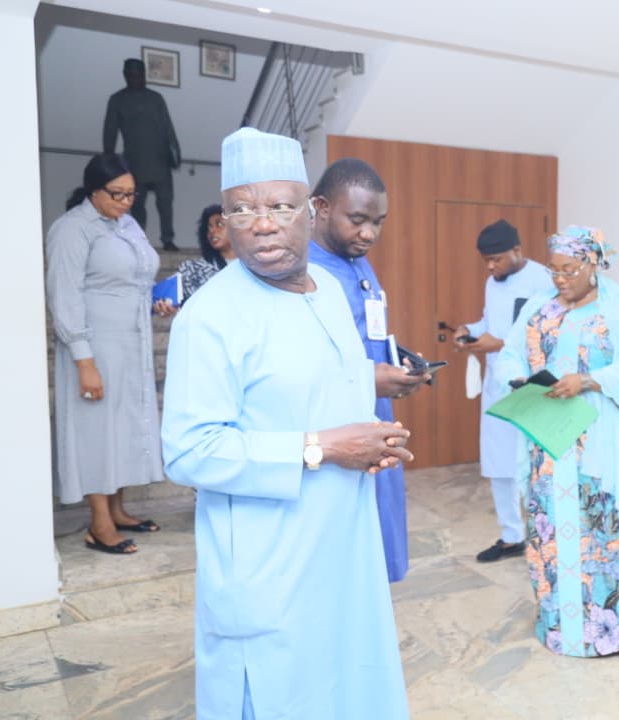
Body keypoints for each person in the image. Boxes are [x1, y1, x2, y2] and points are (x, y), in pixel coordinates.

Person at [161, 128, 411, 719]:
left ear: (310, 211)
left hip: (342, 547)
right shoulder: (211, 316)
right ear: (224, 220)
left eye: (279, 206)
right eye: (241, 209)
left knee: (348, 686)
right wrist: (321, 448)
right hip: (270, 562)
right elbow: (189, 451)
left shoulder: (327, 291)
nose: (262, 225)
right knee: (281, 696)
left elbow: (317, 382)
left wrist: (369, 425)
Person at [496, 225, 619, 668]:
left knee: (608, 532)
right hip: (548, 442)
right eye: (553, 270)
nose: (560, 279)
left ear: (593, 264)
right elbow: (510, 354)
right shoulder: (539, 307)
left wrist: (588, 380)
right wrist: (519, 379)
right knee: (551, 532)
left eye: (569, 270)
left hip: (598, 444)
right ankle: (562, 628)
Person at [45, 152, 176, 555]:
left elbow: (136, 279)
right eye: (116, 194)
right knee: (96, 430)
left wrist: (156, 299)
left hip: (132, 343)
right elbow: (64, 295)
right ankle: (99, 523)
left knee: (122, 427)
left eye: (131, 194)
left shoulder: (128, 224)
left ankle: (118, 510)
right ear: (93, 190)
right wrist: (84, 360)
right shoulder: (72, 229)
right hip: (95, 346)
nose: (125, 201)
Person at [308, 158, 429, 583]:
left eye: (378, 222)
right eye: (357, 220)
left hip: (375, 416)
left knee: (378, 541)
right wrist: (367, 378)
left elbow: (367, 332)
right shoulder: (304, 273)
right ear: (322, 207)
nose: (369, 234)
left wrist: (399, 362)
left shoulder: (358, 261)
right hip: (334, 430)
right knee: (343, 560)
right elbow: (301, 362)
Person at [452, 219, 553, 563]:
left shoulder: (543, 281)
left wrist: (500, 343)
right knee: (499, 463)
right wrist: (469, 330)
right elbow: (490, 323)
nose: (491, 267)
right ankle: (512, 537)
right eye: (486, 261)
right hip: (497, 386)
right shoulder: (492, 283)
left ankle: (546, 537)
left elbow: (547, 333)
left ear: (517, 250)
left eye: (496, 259)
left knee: (536, 465)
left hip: (532, 386)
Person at [103, 58, 181, 251]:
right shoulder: (118, 100)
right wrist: (108, 158)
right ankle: (138, 241)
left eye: (139, 75)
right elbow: (110, 131)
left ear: (144, 75)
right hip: (134, 162)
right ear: (125, 75)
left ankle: (167, 239)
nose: (136, 78)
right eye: (132, 75)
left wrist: (175, 153)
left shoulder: (156, 98)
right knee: (137, 205)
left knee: (165, 203)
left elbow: (168, 128)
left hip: (160, 160)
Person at [177, 204, 235, 298]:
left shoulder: (255, 268)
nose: (212, 231)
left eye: (219, 224)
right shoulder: (192, 270)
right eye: (209, 227)